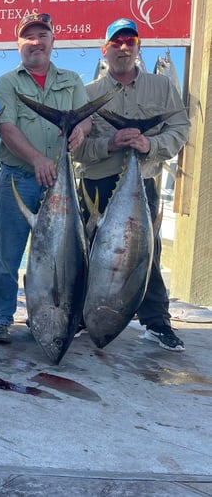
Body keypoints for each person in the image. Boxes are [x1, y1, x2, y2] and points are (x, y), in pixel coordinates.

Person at [75, 18, 189, 351]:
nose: (123, 47)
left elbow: (180, 130)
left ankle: (157, 323)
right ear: (105, 50)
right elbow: (78, 147)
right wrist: (110, 143)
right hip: (96, 182)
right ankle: (83, 316)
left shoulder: (163, 88)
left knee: (146, 253)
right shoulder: (88, 93)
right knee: (90, 249)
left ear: (138, 47)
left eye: (130, 41)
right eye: (117, 42)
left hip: (143, 180)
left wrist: (149, 145)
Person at [0, 12, 90, 344]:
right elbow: (6, 128)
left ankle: (43, 314)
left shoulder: (72, 80)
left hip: (60, 181)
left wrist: (81, 133)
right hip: (19, 178)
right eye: (28, 37)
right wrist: (37, 159)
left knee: (57, 257)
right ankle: (1, 317)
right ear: (19, 44)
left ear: (52, 41)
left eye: (42, 36)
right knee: (7, 254)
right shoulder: (7, 82)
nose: (36, 42)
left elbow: (85, 117)